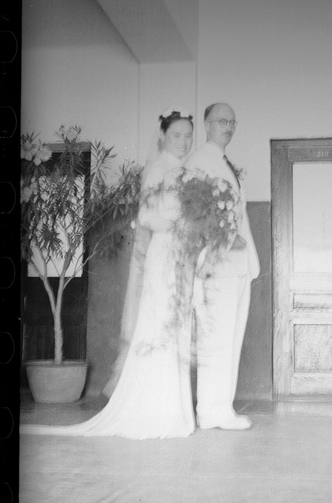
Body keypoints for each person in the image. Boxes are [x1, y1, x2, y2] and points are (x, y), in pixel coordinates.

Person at [21, 108, 196, 439]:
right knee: (159, 325)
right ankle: (153, 411)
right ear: (163, 137)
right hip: (163, 252)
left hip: (178, 254)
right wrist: (177, 224)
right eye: (177, 135)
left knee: (174, 328)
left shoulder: (184, 171)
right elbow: (146, 215)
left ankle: (172, 410)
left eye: (188, 136)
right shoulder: (158, 169)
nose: (184, 141)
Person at [184, 103, 260, 430]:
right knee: (216, 341)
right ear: (206, 125)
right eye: (221, 121)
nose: (227, 126)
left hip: (239, 266)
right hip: (218, 264)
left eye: (232, 121)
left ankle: (221, 408)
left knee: (230, 339)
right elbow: (193, 212)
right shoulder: (199, 161)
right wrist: (228, 241)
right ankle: (211, 411)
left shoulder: (223, 162)